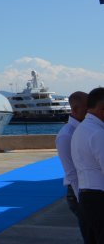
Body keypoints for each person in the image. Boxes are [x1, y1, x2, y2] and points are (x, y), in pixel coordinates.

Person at [73, 87, 104, 244]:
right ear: (101, 108)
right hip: (100, 198)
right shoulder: (98, 133)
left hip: (86, 196)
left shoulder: (81, 129)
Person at [56, 91, 88, 235]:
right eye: (87, 108)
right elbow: (71, 172)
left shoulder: (86, 129)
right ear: (75, 109)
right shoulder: (66, 135)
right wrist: (82, 201)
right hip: (79, 192)